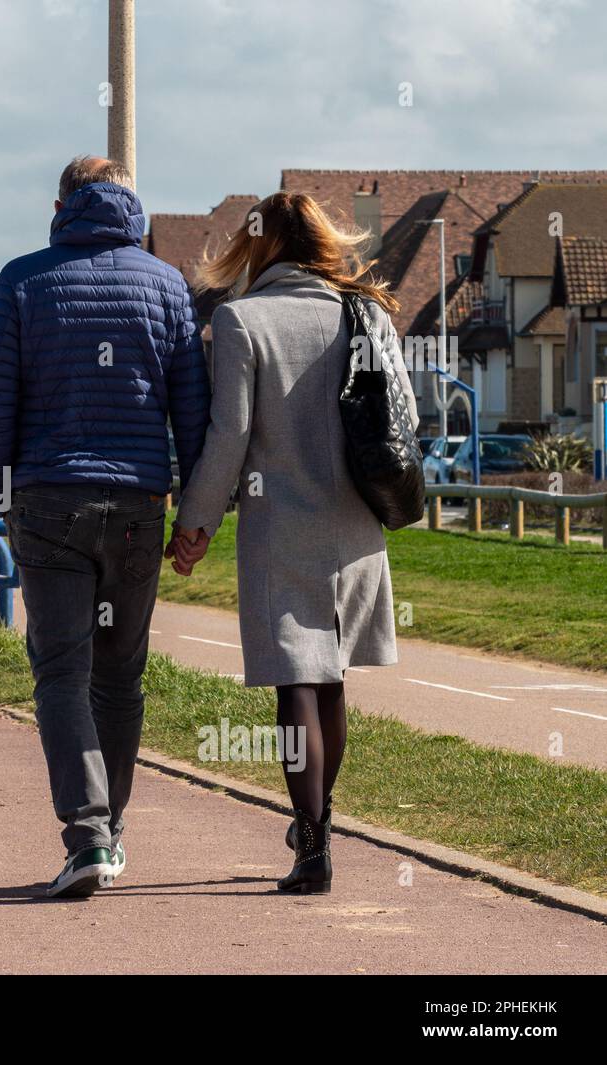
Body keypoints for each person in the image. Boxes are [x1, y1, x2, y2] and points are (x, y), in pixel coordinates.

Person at [0, 156, 210, 897]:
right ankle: (112, 831)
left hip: (49, 501)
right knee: (121, 678)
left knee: (61, 674)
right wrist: (195, 517)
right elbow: (193, 407)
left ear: (59, 205)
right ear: (132, 206)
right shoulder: (165, 284)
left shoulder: (20, 280)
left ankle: (89, 834)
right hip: (139, 503)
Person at [172, 191, 419, 895]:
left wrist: (194, 524)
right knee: (332, 676)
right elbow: (402, 417)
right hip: (356, 520)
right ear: (323, 241)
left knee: (296, 680)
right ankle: (320, 822)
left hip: (278, 521)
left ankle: (311, 844)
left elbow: (228, 439)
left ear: (260, 246)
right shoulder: (367, 313)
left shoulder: (242, 320)